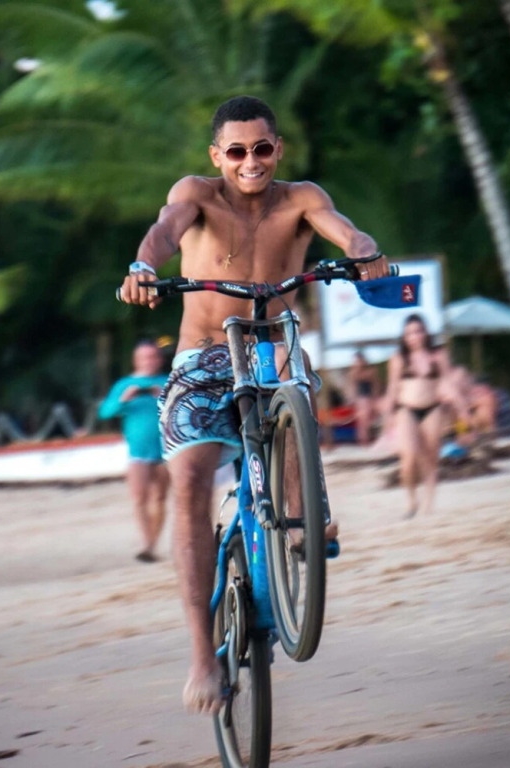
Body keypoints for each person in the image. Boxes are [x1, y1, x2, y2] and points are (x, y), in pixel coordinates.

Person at [118, 96, 389, 714]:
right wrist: (142, 265)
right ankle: (200, 656)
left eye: (262, 148)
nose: (250, 162)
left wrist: (364, 249)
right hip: (205, 356)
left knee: (295, 383)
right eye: (236, 151)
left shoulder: (300, 199)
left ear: (278, 149)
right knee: (189, 482)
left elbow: (343, 229)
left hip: (274, 347)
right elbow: (165, 232)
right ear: (217, 155)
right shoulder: (197, 194)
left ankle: (303, 515)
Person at [383, 314, 469, 519]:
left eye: (418, 331)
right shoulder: (399, 358)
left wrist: (462, 409)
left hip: (432, 408)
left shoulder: (437, 355)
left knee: (430, 458)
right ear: (404, 337)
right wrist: (387, 417)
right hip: (407, 409)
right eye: (410, 333)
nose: (415, 336)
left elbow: (448, 383)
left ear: (425, 332)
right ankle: (412, 501)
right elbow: (393, 389)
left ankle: (428, 504)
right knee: (409, 458)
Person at [98, 340, 170, 563]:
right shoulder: (124, 384)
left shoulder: (167, 381)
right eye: (145, 357)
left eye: (153, 357)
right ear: (136, 360)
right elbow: (105, 413)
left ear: (159, 359)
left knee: (159, 498)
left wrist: (163, 396)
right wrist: (123, 399)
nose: (149, 361)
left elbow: (182, 408)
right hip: (137, 452)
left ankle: (153, 543)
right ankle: (146, 544)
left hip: (166, 451)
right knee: (139, 499)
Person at [348, 351, 380, 446]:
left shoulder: (370, 372)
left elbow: (375, 385)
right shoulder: (353, 373)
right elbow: (352, 387)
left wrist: (375, 397)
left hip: (368, 397)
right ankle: (363, 440)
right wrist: (352, 399)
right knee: (362, 420)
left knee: (368, 419)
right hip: (360, 399)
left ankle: (367, 438)